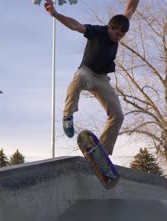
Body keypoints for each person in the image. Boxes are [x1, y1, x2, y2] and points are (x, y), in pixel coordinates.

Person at [44, 0, 139, 156]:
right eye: (116, 34)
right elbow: (75, 26)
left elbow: (130, 8)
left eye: (122, 36)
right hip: (87, 72)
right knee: (79, 76)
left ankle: (101, 152)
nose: (118, 38)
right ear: (109, 27)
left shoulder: (121, 24)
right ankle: (68, 115)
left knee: (118, 115)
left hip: (102, 79)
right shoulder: (97, 31)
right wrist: (55, 14)